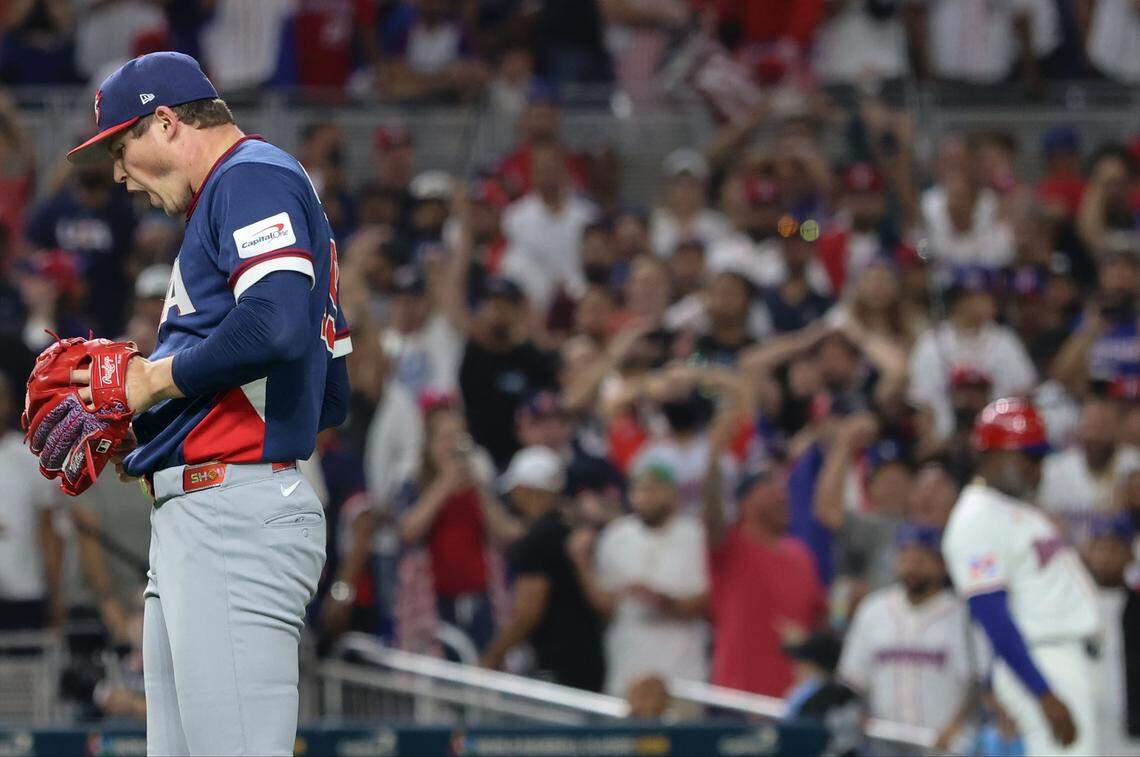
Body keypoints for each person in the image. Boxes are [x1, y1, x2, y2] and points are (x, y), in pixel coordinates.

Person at [64, 52, 350, 755]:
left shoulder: (249, 176)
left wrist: (155, 383)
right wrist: (164, 433)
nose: (119, 174)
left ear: (165, 121)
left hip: (233, 511)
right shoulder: (242, 192)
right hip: (211, 508)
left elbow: (278, 323)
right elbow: (329, 395)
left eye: (121, 147)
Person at [942, 398, 1101, 756]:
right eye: (1027, 456)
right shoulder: (975, 517)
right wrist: (1042, 692)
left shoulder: (1010, 508)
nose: (1037, 468)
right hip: (1043, 661)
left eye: (1040, 457)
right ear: (991, 455)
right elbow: (991, 613)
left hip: (1061, 656)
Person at [570, 449, 709, 697]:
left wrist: (662, 600)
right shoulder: (616, 536)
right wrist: (582, 564)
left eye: (655, 488)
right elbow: (605, 607)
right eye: (640, 488)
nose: (646, 496)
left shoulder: (696, 536)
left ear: (673, 494)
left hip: (683, 676)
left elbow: (706, 603)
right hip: (627, 673)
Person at [838, 524, 981, 753]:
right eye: (906, 558)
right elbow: (853, 680)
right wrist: (860, 715)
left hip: (944, 745)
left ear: (941, 564)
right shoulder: (873, 610)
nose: (912, 567)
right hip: (884, 744)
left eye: (921, 559)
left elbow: (978, 682)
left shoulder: (963, 614)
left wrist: (956, 726)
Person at [479, 446, 605, 692]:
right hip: (589, 657)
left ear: (529, 491)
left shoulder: (538, 540)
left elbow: (528, 610)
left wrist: (492, 656)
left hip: (559, 667)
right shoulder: (571, 526)